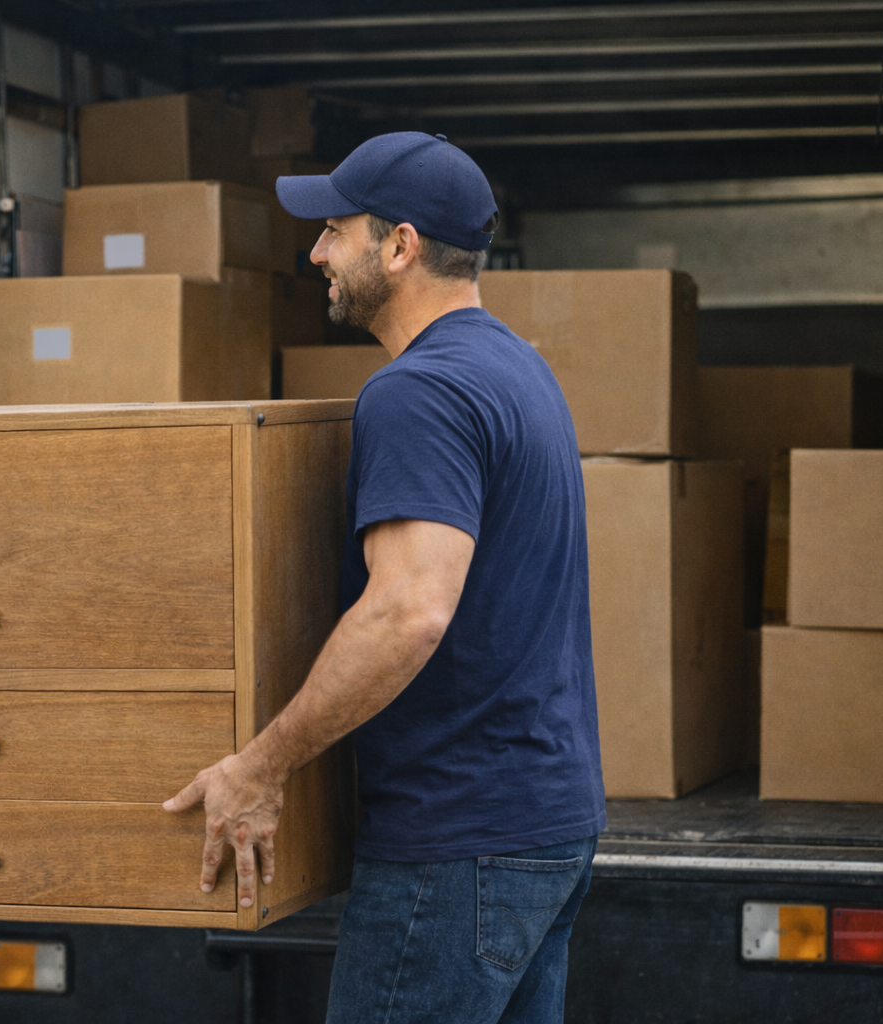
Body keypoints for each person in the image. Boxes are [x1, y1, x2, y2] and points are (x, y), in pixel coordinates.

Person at [165, 132, 605, 1023]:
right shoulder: (520, 367)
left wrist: (262, 765)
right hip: (547, 821)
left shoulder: (420, 393)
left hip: (457, 845)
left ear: (399, 246)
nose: (317, 252)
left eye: (336, 231)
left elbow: (408, 611)